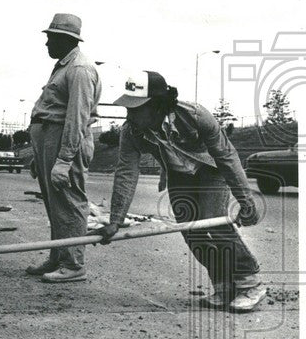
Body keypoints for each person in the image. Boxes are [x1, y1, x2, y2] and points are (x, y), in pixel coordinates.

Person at [95, 71, 265, 312]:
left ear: (156, 106)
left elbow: (226, 156)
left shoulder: (195, 115)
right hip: (177, 176)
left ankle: (250, 283)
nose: (129, 114)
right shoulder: (131, 132)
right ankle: (224, 285)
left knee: (211, 221)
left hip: (210, 171)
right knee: (189, 231)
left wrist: (246, 201)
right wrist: (115, 220)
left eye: (135, 108)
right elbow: (126, 173)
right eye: (128, 108)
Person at [27, 13, 102, 283]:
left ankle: (74, 264)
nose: (47, 44)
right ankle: (58, 256)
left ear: (65, 40)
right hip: (49, 138)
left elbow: (77, 118)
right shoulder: (63, 65)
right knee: (55, 203)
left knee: (69, 202)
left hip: (63, 138)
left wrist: (63, 159)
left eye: (51, 39)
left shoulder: (79, 69)